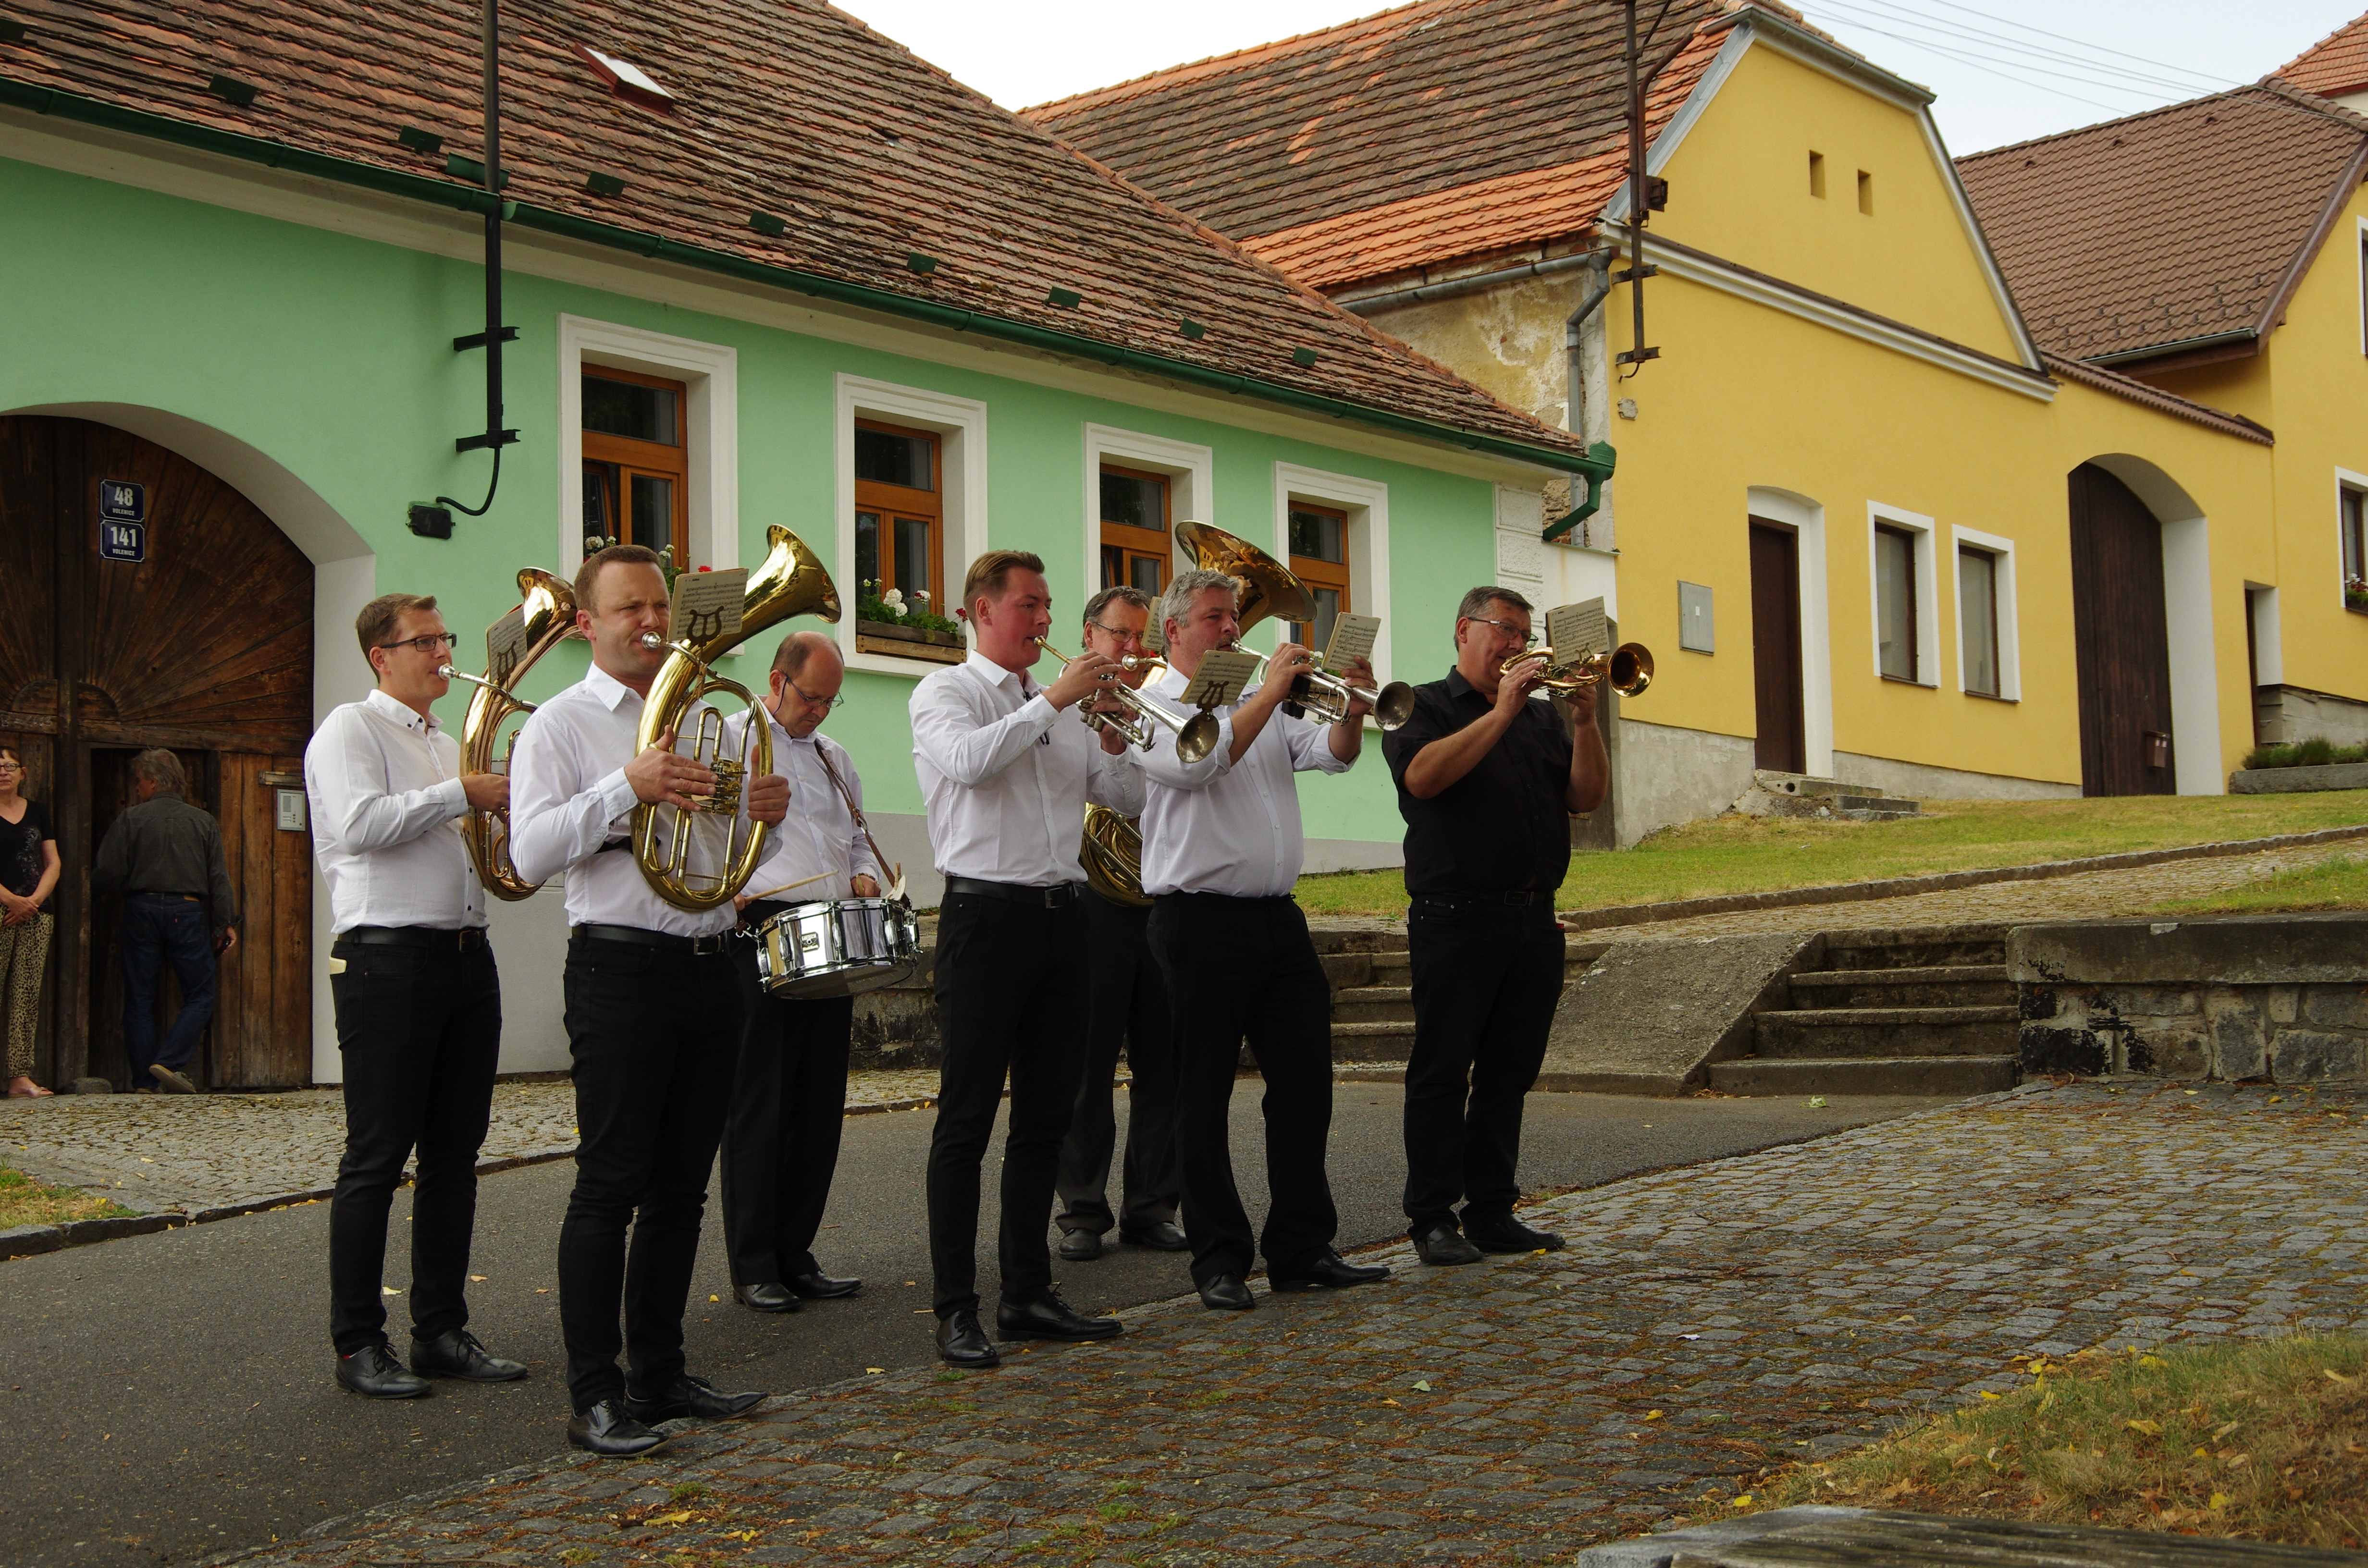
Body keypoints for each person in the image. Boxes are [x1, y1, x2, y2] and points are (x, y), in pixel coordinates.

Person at [508, 543, 789, 1457]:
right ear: (587, 624)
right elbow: (528, 853)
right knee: (610, 1184)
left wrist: (755, 809)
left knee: (680, 1190)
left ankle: (660, 1374)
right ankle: (593, 1393)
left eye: (658, 606)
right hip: (620, 969)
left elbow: (711, 861)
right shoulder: (558, 724)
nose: (650, 623)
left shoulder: (710, 714)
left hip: (709, 959)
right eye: (629, 608)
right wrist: (620, 787)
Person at [909, 550, 1142, 1367]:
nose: (1044, 621)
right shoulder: (944, 691)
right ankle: (953, 1305)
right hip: (983, 915)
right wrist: (1056, 699)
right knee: (965, 1119)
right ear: (982, 610)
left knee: (1046, 1116)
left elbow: (1119, 799)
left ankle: (1026, 1290)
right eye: (1030, 606)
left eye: (1046, 607)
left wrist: (1118, 739)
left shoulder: (1066, 707)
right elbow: (970, 763)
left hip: (1062, 914)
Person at [1135, 569, 1390, 1311]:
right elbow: (1199, 764)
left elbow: (1332, 754)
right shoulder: (1148, 704)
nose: (1230, 631)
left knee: (1307, 1084)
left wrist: (1355, 704)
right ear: (1174, 631)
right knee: (1200, 1095)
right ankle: (1218, 1260)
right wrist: (1269, 695)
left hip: (1277, 918)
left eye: (1234, 619)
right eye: (1215, 618)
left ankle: (1301, 1247)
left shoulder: (1262, 698)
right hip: (1197, 919)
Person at [304, 592, 528, 1398]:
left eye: (445, 637)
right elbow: (360, 823)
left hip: (467, 954)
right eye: (424, 640)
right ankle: (358, 1340)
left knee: (455, 1156)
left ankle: (438, 1328)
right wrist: (464, 793)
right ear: (381, 655)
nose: (442, 652)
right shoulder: (349, 729)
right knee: (375, 1156)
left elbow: (470, 839)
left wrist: (505, 813)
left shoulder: (447, 743)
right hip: (386, 958)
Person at [1385, 587, 1608, 1266]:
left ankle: (1491, 1209)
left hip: (1533, 921)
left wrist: (1587, 723)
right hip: (1456, 918)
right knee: (1443, 1072)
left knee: (1510, 1073)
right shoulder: (1418, 705)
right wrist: (1504, 708)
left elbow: (1585, 798)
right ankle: (1430, 1218)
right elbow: (1422, 779)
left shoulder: (1543, 721)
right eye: (1504, 632)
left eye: (1523, 634)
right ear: (1464, 631)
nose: (1516, 646)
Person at [720, 630, 881, 1315]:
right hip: (759, 927)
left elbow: (853, 838)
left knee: (818, 1106)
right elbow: (705, 827)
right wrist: (724, 887)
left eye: (830, 701)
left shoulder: (834, 756)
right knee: (760, 1103)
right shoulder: (729, 739)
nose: (820, 712)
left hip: (830, 931)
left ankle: (797, 1252)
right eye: (811, 698)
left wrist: (867, 876)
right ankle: (754, 1261)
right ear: (778, 680)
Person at [1052, 586, 1185, 1262]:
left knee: (1164, 1060)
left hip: (1158, 891)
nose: (1133, 651)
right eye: (1119, 636)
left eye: (1142, 638)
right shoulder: (1058, 704)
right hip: (1094, 902)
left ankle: (1153, 1205)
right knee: (1089, 1059)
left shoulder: (1164, 704)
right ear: (1088, 634)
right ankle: (1081, 1209)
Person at [90, 748, 237, 1094]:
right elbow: (218, 878)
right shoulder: (203, 822)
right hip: (187, 913)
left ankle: (145, 1082)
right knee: (200, 994)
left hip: (140, 910)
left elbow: (109, 872)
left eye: (139, 783)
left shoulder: (130, 819)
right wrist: (224, 923)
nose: (137, 789)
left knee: (139, 998)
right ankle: (169, 1063)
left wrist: (86, 895)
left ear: (153, 782)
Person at [0, 746, 60, 1099]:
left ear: (23, 772)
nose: (4, 771)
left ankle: (19, 1078)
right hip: (4, 908)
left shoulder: (37, 811)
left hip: (37, 913)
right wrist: (10, 900)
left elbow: (53, 861)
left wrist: (34, 901)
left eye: (10, 765)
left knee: (25, 993)